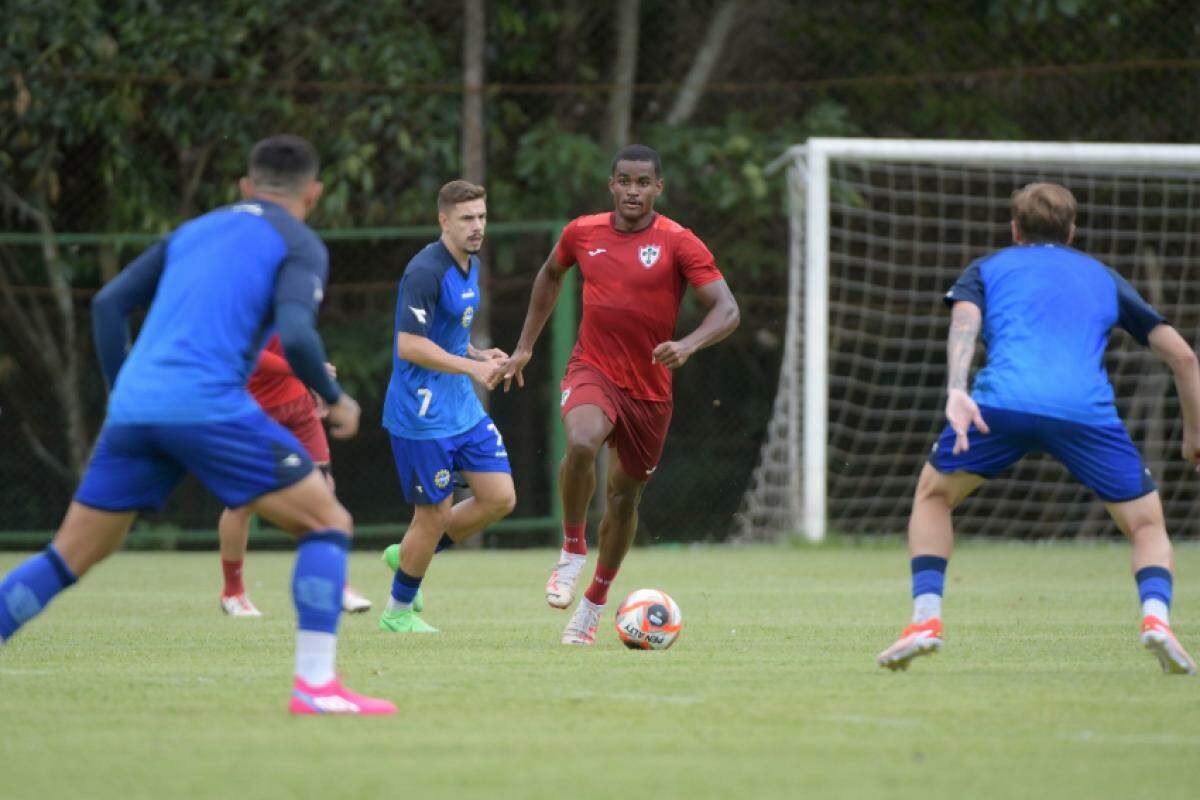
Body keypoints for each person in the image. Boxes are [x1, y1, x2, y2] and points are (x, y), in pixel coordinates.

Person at [0, 135, 395, 714]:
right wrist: (337, 398)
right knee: (326, 522)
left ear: (244, 186)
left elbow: (108, 304)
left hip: (136, 408)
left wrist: (120, 393)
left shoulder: (193, 231)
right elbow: (301, 333)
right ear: (313, 192)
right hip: (207, 404)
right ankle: (314, 686)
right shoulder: (299, 242)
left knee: (69, 556)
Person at [877, 182, 1199, 675]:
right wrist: (1194, 434)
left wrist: (956, 388)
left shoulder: (988, 268)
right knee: (1147, 525)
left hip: (999, 405)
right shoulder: (1103, 276)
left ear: (1014, 228)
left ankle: (925, 619)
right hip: (1083, 413)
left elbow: (963, 324)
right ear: (1072, 230)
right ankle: (1156, 619)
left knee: (933, 496)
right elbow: (1184, 357)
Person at [500, 144, 740, 645]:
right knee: (583, 442)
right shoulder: (582, 232)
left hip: (650, 392)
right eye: (624, 181)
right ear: (611, 184)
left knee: (624, 498)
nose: (633, 191)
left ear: (658, 188)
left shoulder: (678, 241)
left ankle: (593, 605)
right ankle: (570, 550)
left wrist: (689, 344)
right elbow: (549, 274)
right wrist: (524, 347)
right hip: (594, 368)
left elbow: (727, 309)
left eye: (643, 182)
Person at [377, 180, 516, 634]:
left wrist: (478, 355)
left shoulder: (469, 263)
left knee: (499, 498)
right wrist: (470, 370)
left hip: (461, 408)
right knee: (433, 515)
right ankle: (397, 612)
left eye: (481, 216)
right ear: (444, 221)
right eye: (466, 219)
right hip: (422, 414)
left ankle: (412, 553)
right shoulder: (425, 270)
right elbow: (411, 345)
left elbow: (447, 333)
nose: (477, 227)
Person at [216, 334, 372, 617]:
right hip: (250, 409)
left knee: (324, 491)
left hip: (297, 404)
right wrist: (304, 369)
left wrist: (315, 383)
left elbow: (299, 339)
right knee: (241, 503)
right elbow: (246, 350)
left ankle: (336, 584)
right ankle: (233, 592)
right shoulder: (237, 294)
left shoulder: (295, 291)